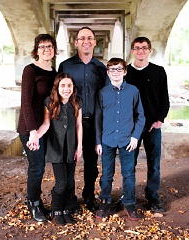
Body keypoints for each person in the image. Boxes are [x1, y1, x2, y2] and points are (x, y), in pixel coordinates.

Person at [116, 37, 170, 212]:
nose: (141, 51)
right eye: (137, 48)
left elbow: (164, 99)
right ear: (132, 51)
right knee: (128, 163)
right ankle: (128, 195)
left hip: (152, 126)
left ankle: (152, 196)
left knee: (153, 163)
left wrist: (160, 120)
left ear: (150, 50)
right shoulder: (126, 73)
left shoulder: (158, 72)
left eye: (144, 48)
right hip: (131, 128)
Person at [58, 26, 108, 211]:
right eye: (82, 38)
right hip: (71, 123)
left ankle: (89, 196)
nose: (86, 41)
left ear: (95, 42)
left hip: (94, 122)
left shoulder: (101, 68)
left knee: (92, 164)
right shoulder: (66, 66)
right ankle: (69, 199)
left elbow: (106, 97)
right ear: (76, 42)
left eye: (90, 38)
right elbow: (59, 93)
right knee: (69, 161)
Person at [95, 58, 145, 220]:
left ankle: (129, 203)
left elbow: (140, 116)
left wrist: (135, 137)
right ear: (108, 73)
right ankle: (104, 202)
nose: (115, 72)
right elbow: (98, 119)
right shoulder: (102, 93)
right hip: (107, 140)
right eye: (112, 70)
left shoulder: (133, 91)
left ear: (125, 71)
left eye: (119, 69)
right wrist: (98, 141)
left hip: (127, 141)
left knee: (129, 174)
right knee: (106, 174)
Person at [31, 73, 82, 225]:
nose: (66, 89)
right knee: (61, 182)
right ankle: (56, 209)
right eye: (63, 86)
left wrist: (79, 147)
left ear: (73, 88)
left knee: (70, 182)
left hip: (71, 147)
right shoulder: (50, 102)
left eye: (69, 86)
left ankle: (66, 209)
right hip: (57, 148)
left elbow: (79, 126)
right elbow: (46, 124)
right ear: (57, 87)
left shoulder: (77, 102)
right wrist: (36, 136)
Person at [17, 34, 58, 222]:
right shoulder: (30, 70)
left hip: (47, 126)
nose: (46, 49)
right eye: (42, 46)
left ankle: (39, 200)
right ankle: (33, 201)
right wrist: (33, 131)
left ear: (54, 49)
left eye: (49, 46)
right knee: (37, 167)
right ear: (36, 50)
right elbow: (25, 102)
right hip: (30, 128)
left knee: (43, 166)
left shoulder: (55, 72)